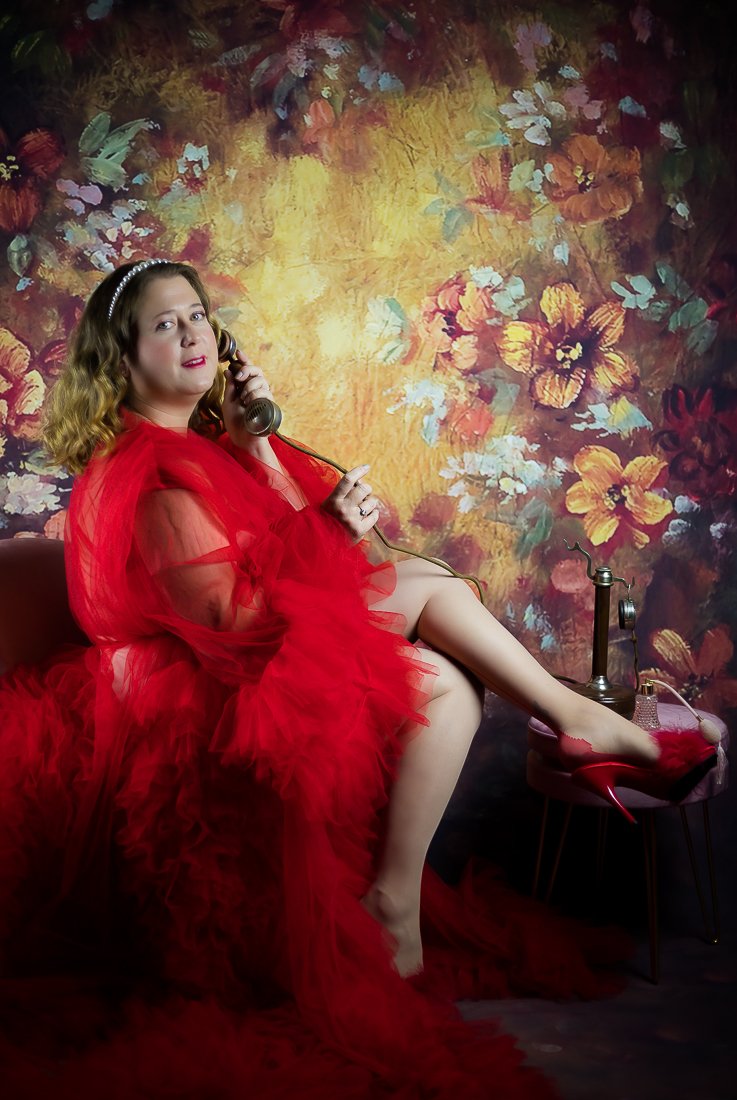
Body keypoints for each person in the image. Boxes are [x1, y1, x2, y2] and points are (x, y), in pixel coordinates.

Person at [0, 258, 716, 1098]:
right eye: (164, 324)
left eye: (198, 316)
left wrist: (258, 443)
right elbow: (229, 620)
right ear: (122, 359)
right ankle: (575, 717)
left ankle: (393, 901)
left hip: (244, 659)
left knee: (444, 685)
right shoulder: (150, 472)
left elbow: (278, 551)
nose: (193, 334)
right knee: (427, 588)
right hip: (195, 696)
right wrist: (327, 527)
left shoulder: (205, 447)